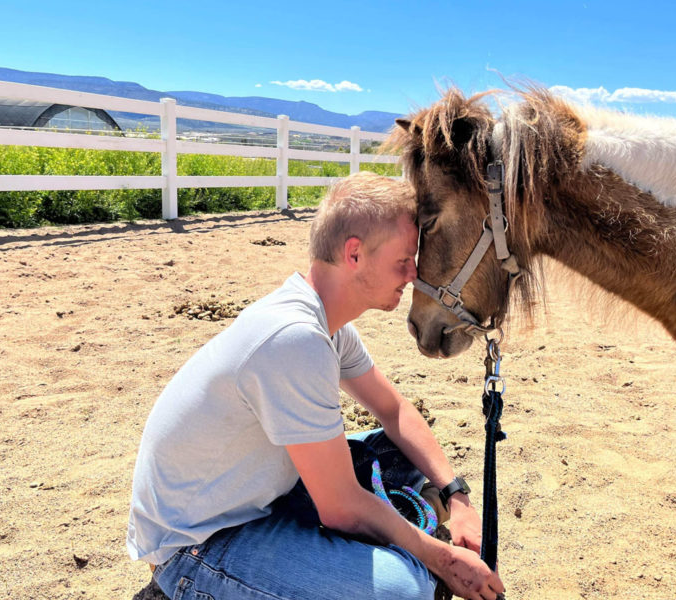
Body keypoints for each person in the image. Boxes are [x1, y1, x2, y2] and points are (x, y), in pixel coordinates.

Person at [126, 171, 505, 600]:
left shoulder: (323, 321)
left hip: (251, 493)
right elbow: (341, 507)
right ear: (355, 254)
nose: (414, 274)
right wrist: (443, 559)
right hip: (197, 542)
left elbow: (394, 411)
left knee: (400, 452)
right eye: (403, 259)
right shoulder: (295, 338)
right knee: (406, 591)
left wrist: (458, 497)